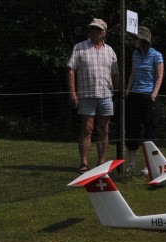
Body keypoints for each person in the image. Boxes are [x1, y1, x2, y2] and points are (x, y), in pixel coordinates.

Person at [67, 18, 120, 173]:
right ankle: (84, 163)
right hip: (86, 94)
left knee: (104, 129)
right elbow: (71, 69)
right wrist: (72, 92)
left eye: (98, 29)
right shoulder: (79, 47)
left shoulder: (110, 51)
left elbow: (115, 73)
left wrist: (120, 91)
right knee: (87, 128)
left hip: (106, 95)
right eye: (93, 28)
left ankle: (101, 163)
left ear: (105, 32)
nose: (95, 31)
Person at [124, 25, 164, 172]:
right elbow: (133, 74)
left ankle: (150, 166)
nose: (134, 40)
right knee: (132, 129)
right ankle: (131, 163)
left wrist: (153, 95)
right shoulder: (135, 54)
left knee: (150, 131)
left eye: (136, 38)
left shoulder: (156, 55)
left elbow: (159, 77)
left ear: (143, 40)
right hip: (134, 95)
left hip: (148, 96)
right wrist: (128, 91)